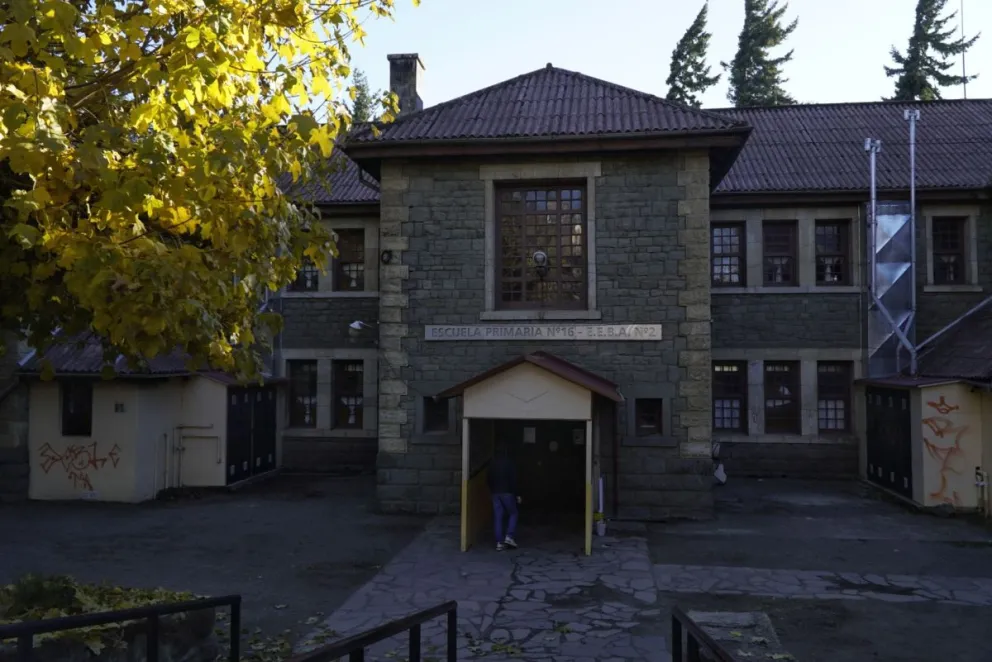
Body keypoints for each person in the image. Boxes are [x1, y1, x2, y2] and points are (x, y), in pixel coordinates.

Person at [487, 443, 520, 551]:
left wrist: (492, 491)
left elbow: (489, 478)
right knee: (513, 513)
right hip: (507, 492)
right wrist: (517, 494)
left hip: (495, 493)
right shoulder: (509, 463)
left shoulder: (492, 464)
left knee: (498, 517)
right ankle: (509, 536)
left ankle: (499, 543)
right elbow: (513, 480)